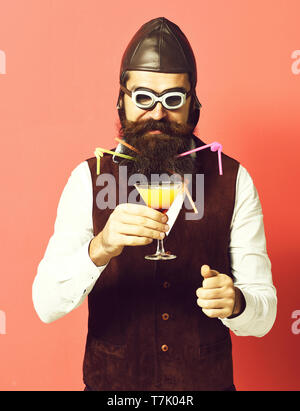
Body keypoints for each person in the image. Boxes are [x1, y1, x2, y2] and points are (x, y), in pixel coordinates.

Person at [32, 17, 277, 391]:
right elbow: (46, 305)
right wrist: (100, 248)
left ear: (193, 103)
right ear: (122, 101)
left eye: (173, 99)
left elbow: (265, 314)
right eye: (144, 97)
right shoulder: (89, 179)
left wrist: (238, 302)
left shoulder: (234, 180)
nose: (158, 113)